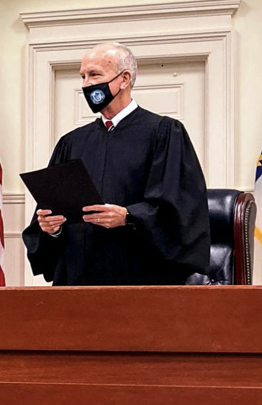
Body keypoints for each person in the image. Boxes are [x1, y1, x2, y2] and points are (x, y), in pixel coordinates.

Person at [23, 43, 210, 285]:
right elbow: (50, 212)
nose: (86, 84)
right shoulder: (72, 142)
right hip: (79, 279)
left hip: (139, 278)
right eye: (83, 76)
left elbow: (181, 209)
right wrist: (52, 228)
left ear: (124, 79)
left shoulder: (163, 133)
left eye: (95, 74)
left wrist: (129, 216)